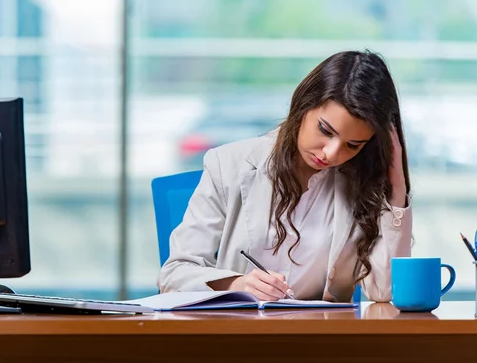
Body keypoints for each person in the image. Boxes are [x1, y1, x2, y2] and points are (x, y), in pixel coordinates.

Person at [157, 50, 412, 303]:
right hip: (237, 335)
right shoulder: (227, 164)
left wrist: (397, 188)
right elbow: (173, 275)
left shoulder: (360, 184)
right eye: (325, 130)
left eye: (353, 145)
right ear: (303, 106)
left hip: (321, 338)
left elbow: (384, 291)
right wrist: (237, 284)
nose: (332, 153)